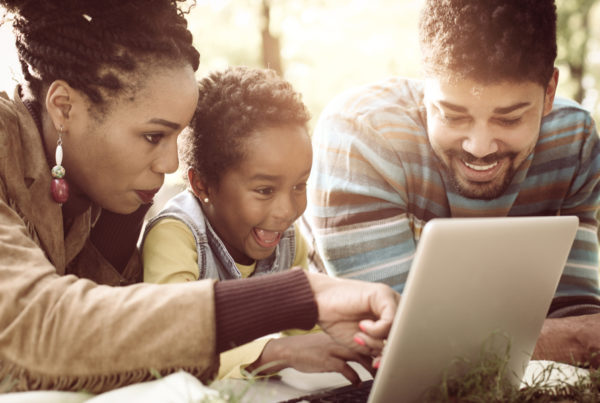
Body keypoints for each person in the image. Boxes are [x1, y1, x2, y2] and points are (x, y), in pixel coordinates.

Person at [0, 0, 399, 394]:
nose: (171, 164)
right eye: (153, 136)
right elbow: (36, 329)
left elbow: (114, 353)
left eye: (177, 136)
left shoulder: (97, 194)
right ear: (63, 108)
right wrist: (296, 296)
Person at [301, 0, 600, 367]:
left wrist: (571, 335)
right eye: (453, 115)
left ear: (549, 92)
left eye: (509, 119)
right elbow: (404, 345)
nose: (479, 147)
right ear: (426, 87)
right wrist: (565, 339)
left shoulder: (574, 139)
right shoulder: (359, 137)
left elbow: (575, 311)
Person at [141, 65, 373, 384]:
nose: (287, 211)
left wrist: (354, 344)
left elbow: (305, 332)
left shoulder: (287, 239)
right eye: (265, 190)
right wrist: (273, 354)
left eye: (299, 185)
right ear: (203, 185)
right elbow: (172, 348)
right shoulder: (175, 236)